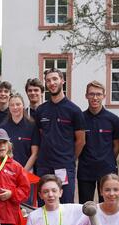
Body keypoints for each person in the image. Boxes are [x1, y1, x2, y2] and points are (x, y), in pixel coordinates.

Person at [35, 68, 86, 203]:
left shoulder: (74, 110)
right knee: (44, 205)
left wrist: (70, 158)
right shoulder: (41, 110)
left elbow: (81, 141)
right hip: (44, 167)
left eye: (55, 79)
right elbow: (41, 136)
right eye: (48, 80)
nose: (52, 83)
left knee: (65, 206)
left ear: (62, 81)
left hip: (64, 166)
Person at [77, 81, 119, 203]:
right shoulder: (80, 118)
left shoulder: (113, 119)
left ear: (104, 96)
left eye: (98, 94)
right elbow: (77, 142)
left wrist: (106, 159)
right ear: (86, 95)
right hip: (85, 170)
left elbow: (116, 146)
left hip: (107, 169)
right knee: (86, 206)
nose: (95, 97)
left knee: (108, 204)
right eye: (91, 94)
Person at [0, 93, 39, 172]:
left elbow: (35, 153)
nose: (15, 107)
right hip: (7, 170)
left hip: (27, 170)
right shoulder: (3, 127)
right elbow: (1, 152)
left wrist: (23, 172)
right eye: (12, 105)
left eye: (18, 104)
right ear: (9, 107)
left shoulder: (32, 126)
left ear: (23, 106)